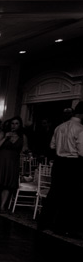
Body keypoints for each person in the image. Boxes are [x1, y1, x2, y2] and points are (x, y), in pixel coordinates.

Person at [38, 102, 83, 237]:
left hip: (58, 163)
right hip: (73, 164)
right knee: (70, 197)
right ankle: (61, 227)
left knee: (54, 193)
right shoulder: (80, 128)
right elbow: (81, 151)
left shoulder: (59, 127)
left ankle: (44, 223)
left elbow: (52, 145)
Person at [0, 116, 27, 213]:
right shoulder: (3, 133)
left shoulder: (23, 136)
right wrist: (5, 138)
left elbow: (24, 150)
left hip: (13, 162)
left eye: (16, 123)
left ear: (20, 125)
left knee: (8, 185)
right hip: (0, 161)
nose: (14, 125)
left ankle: (2, 206)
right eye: (12, 123)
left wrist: (25, 154)